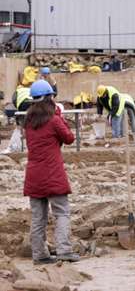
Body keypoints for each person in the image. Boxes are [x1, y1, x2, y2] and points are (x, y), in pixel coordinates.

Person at [23, 80, 80, 265]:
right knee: (61, 213)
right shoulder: (54, 120)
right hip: (53, 174)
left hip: (34, 176)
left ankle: (39, 254)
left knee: (38, 217)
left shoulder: (28, 122)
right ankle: (64, 250)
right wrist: (59, 115)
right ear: (49, 98)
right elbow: (69, 138)